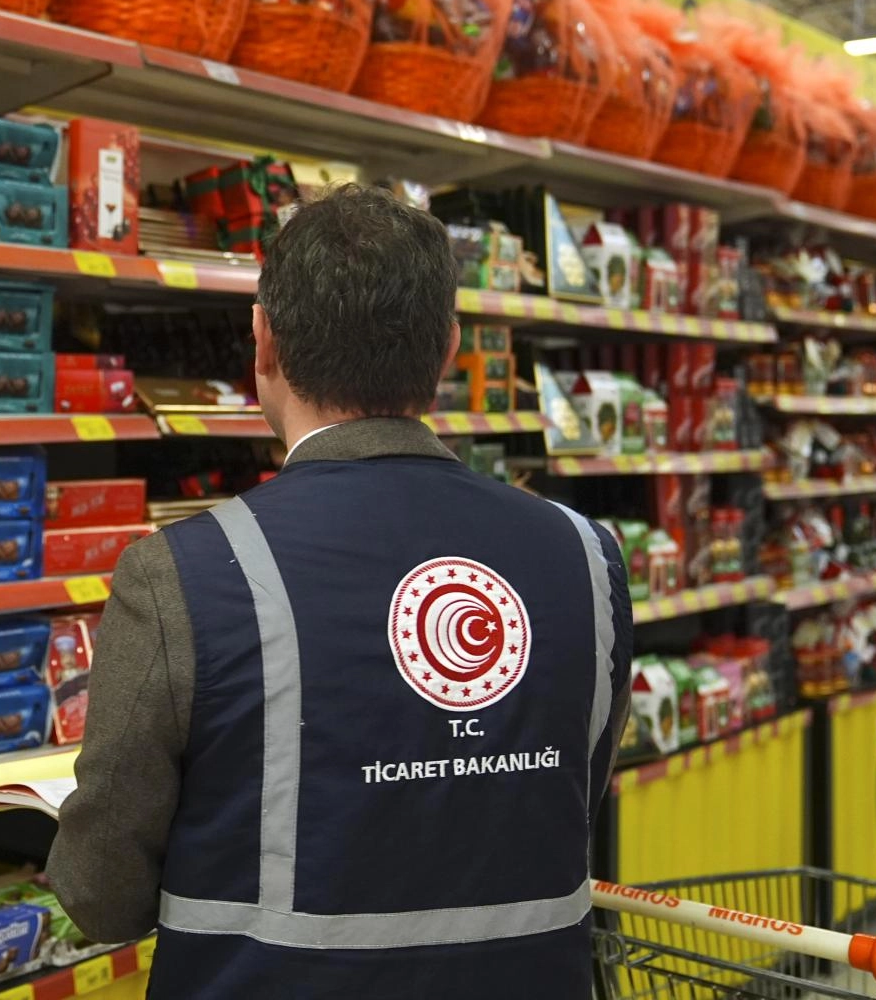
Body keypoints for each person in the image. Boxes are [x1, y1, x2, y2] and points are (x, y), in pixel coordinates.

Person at [46, 183, 633, 998]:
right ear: (449, 348)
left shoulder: (182, 574)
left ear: (263, 342)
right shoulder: (588, 557)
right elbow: (566, 797)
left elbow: (100, 897)